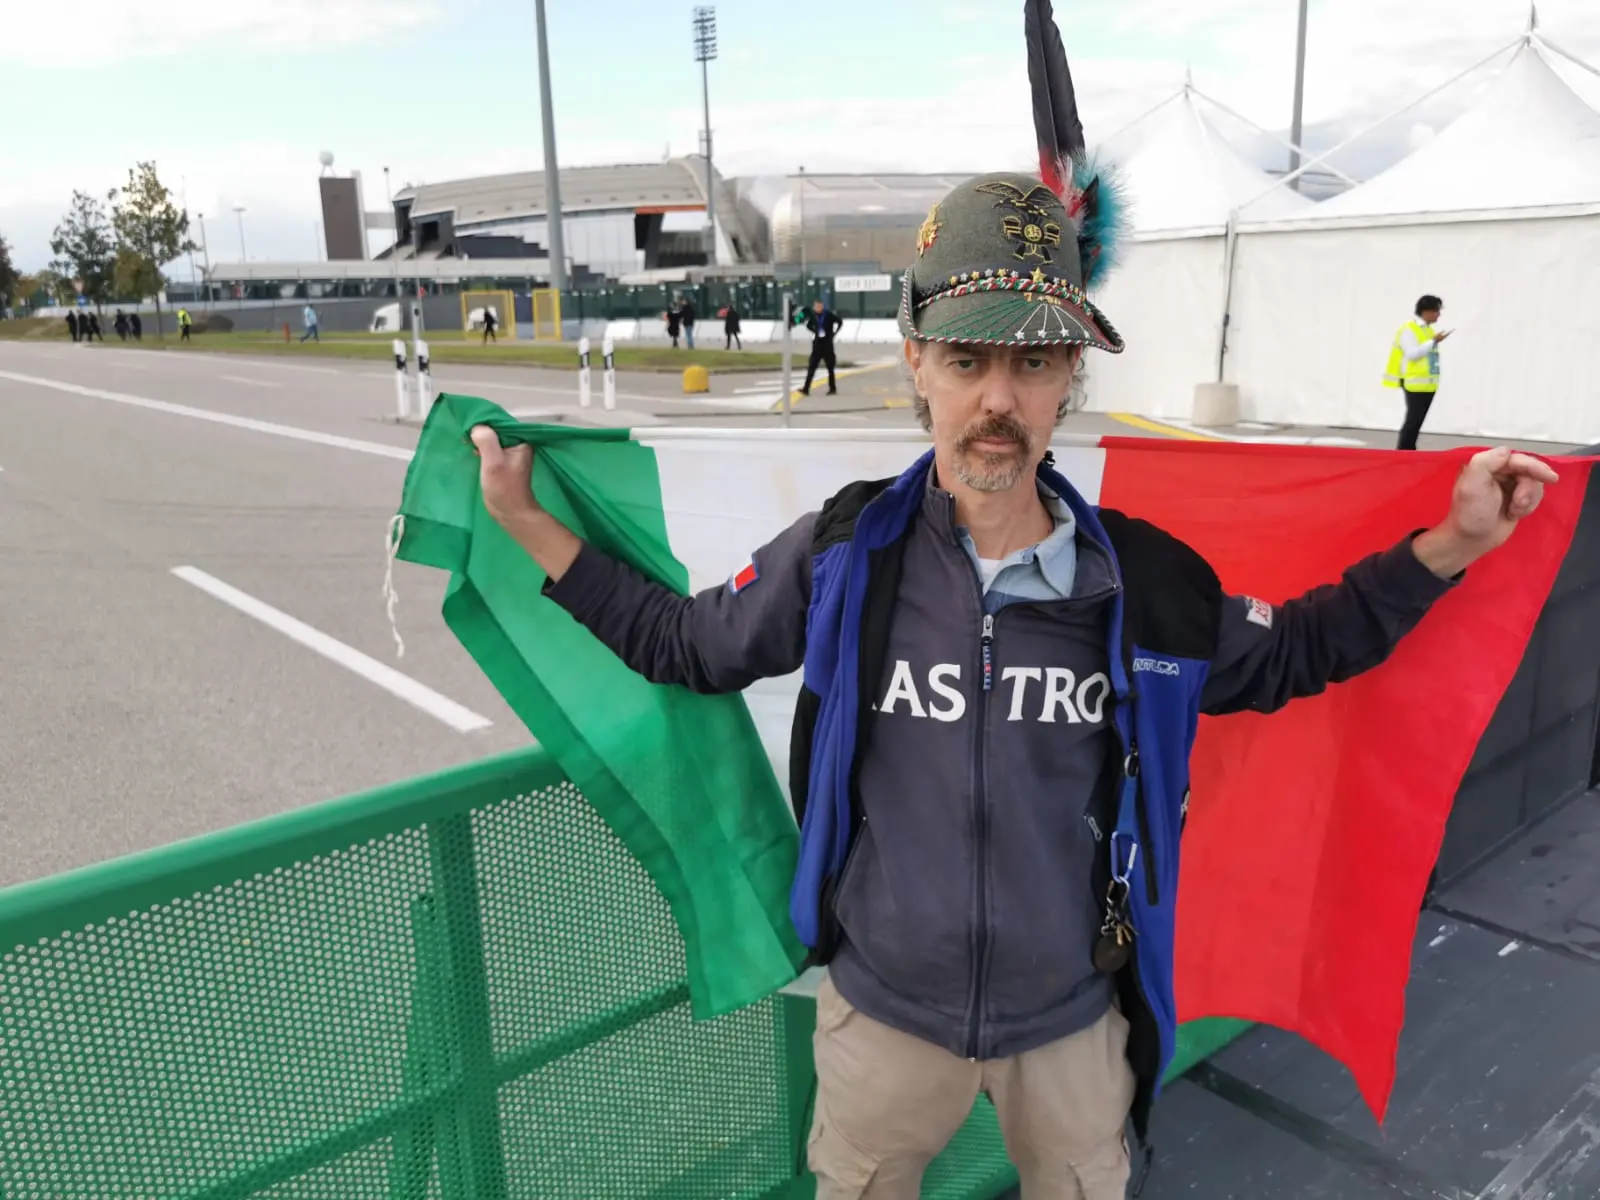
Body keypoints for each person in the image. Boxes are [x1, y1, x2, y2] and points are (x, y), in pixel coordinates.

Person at [469, 169, 1554, 1198]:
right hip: (880, 1018)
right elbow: (687, 647)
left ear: (1070, 381)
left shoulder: (1147, 586)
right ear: (916, 367)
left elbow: (1296, 651)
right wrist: (529, 526)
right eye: (966, 358)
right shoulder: (845, 555)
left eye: (1034, 364)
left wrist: (1454, 541)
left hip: (1076, 1027)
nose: (998, 398)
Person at [1386, 294, 1450, 451]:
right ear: (1426, 311)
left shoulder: (1427, 331)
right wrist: (1433, 341)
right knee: (1413, 421)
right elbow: (1413, 354)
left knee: (1417, 422)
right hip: (1414, 383)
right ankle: (1404, 452)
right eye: (1436, 311)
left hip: (1428, 384)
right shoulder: (1409, 329)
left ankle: (1409, 450)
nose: (1438, 315)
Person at [801, 298, 844, 396]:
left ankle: (832, 388)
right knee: (812, 366)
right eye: (816, 306)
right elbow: (808, 325)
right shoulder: (813, 316)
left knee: (830, 367)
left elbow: (840, 321)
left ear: (822, 306)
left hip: (827, 344)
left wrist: (834, 333)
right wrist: (815, 331)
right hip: (817, 344)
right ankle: (806, 389)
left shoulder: (828, 315)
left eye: (819, 306)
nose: (817, 308)